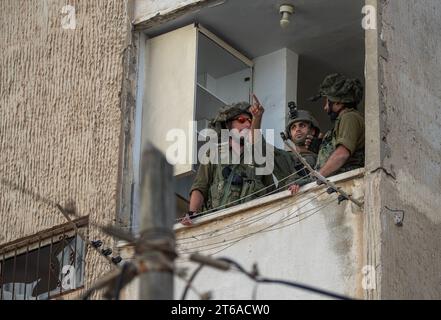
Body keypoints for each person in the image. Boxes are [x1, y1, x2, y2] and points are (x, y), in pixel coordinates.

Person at [181, 102, 271, 226]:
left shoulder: (260, 154)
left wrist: (258, 117)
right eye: (241, 120)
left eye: (250, 121)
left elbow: (272, 191)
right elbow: (200, 186)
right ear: (228, 125)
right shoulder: (213, 154)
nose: (247, 124)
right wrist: (192, 213)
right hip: (215, 224)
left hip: (249, 224)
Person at [288, 73, 365, 195]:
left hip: (348, 186)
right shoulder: (344, 119)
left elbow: (342, 154)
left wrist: (314, 177)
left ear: (338, 103)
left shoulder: (349, 117)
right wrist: (321, 148)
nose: (325, 107)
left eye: (327, 102)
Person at [249, 96, 319, 188]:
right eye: (293, 127)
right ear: (289, 134)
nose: (297, 129)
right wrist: (257, 118)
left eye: (302, 125)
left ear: (312, 131)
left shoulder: (324, 155)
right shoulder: (286, 158)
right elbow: (258, 145)